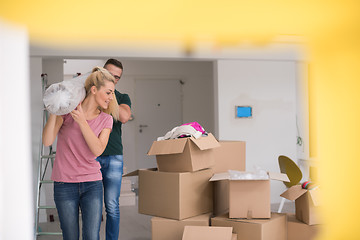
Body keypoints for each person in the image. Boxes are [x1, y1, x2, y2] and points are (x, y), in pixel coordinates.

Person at [42, 67, 120, 240]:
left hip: (92, 184)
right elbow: (47, 141)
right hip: (64, 184)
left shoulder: (106, 119)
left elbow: (98, 150)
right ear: (94, 90)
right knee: (70, 236)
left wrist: (83, 122)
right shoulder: (67, 113)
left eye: (112, 93)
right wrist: (55, 110)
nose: (111, 97)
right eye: (108, 92)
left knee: (91, 236)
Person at [96, 59, 132, 240]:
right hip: (90, 156)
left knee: (111, 205)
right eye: (109, 74)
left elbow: (124, 116)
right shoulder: (90, 94)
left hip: (113, 157)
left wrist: (109, 94)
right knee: (92, 207)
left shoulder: (122, 97)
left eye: (116, 77)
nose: (113, 78)